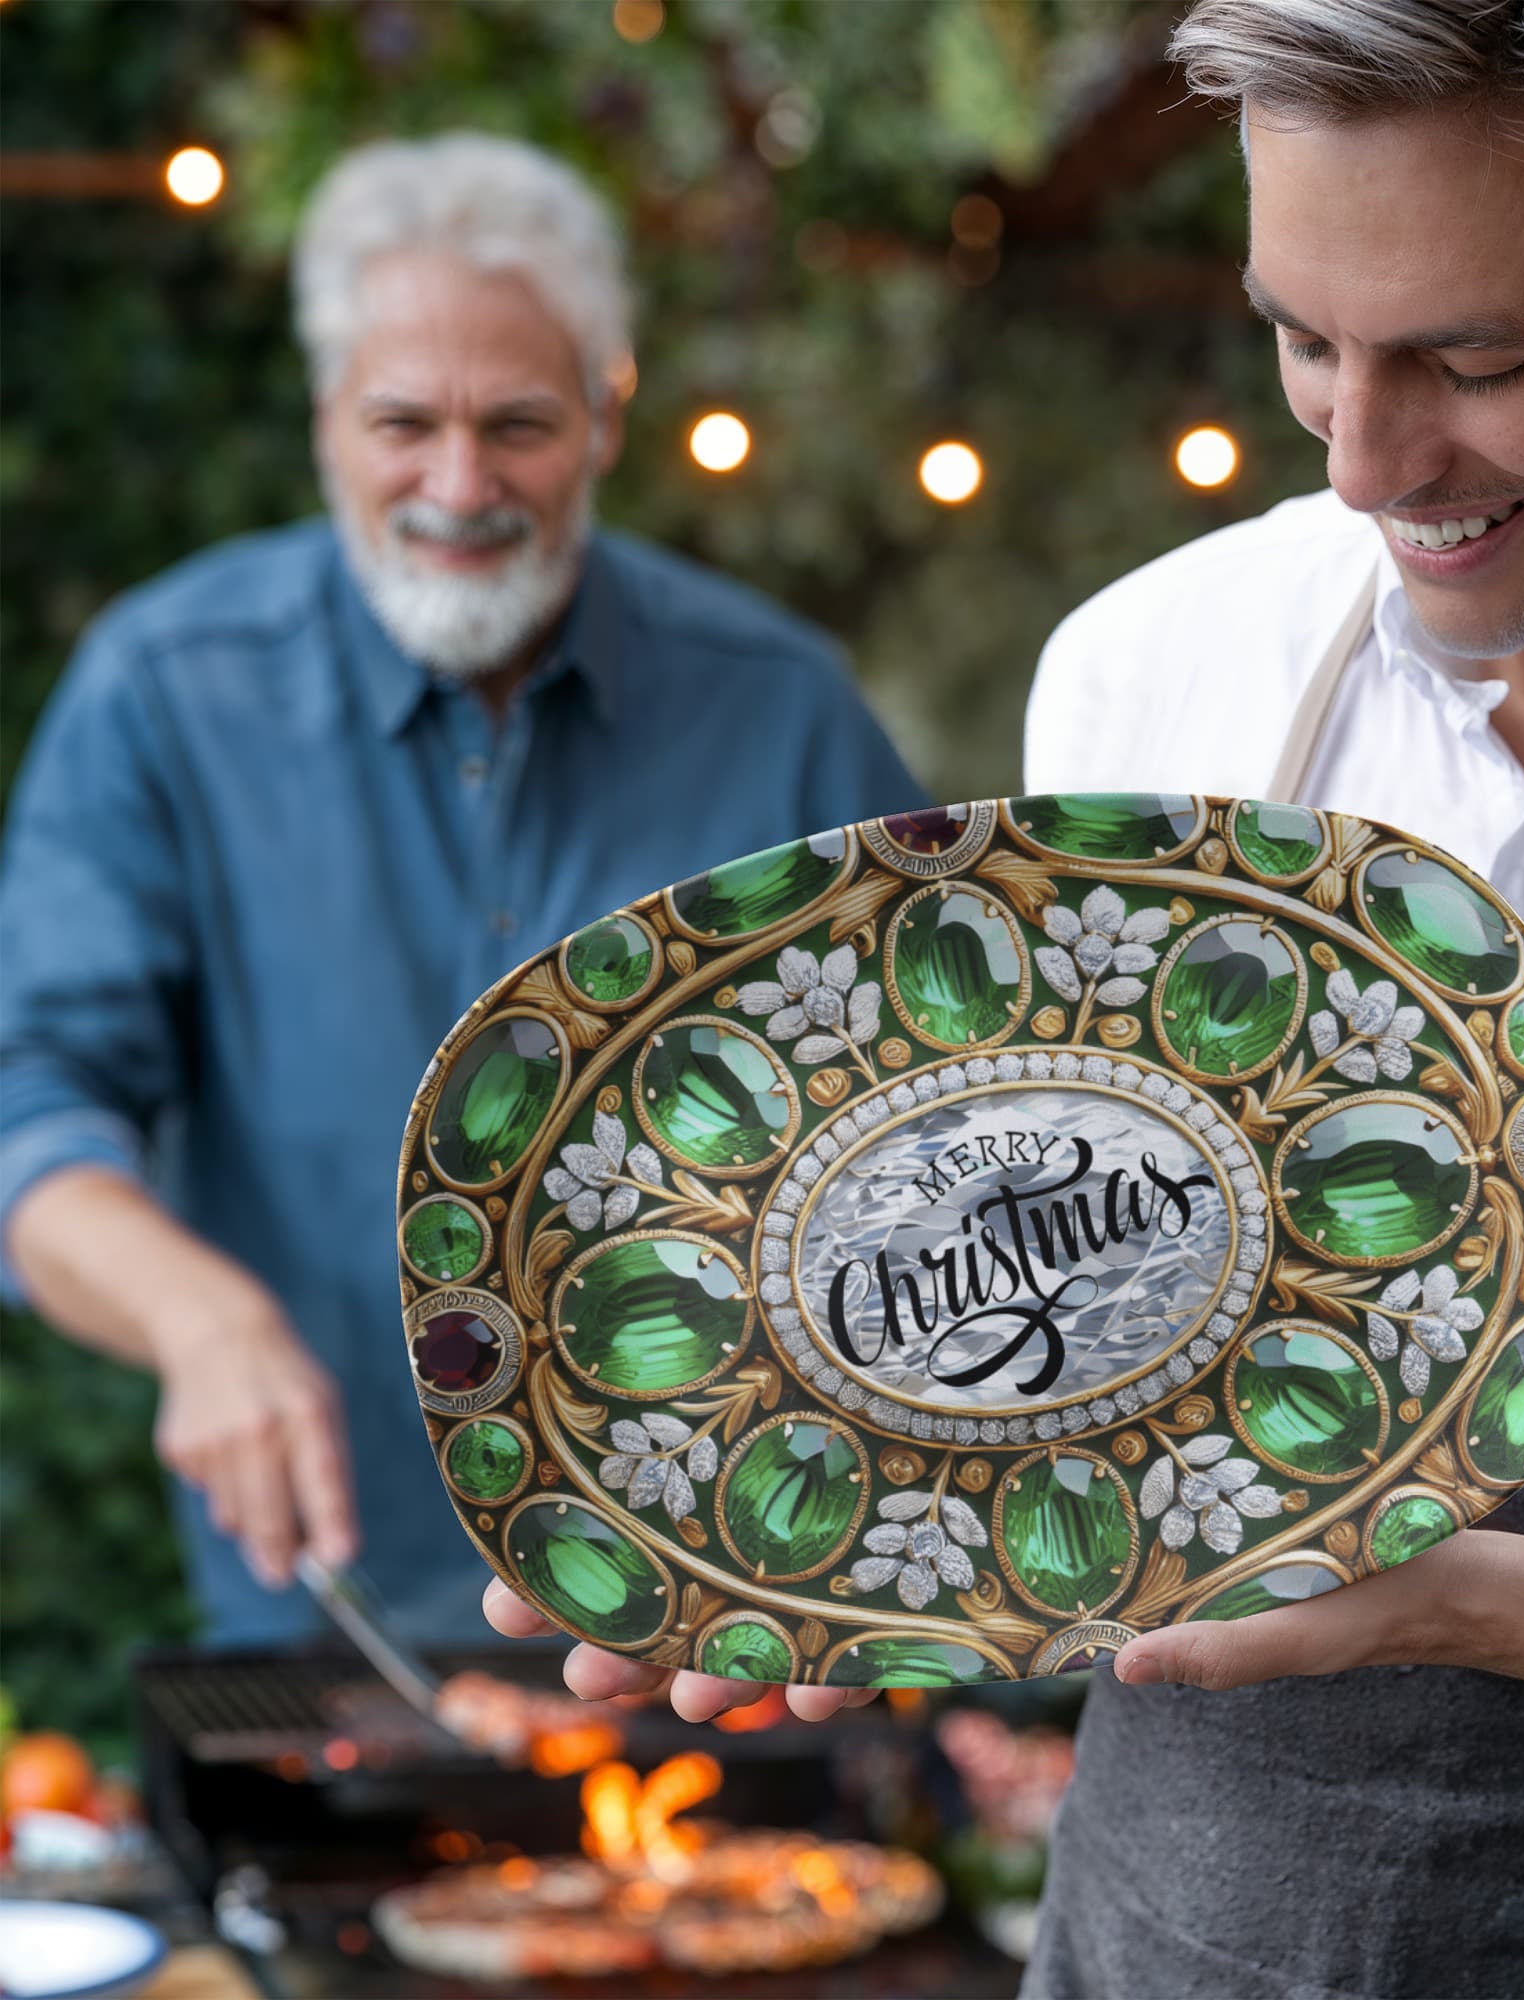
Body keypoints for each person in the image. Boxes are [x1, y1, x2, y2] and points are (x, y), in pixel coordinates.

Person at [486, 2, 1524, 1993]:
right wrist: (813, 1525)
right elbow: (1047, 1342)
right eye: (1301, 337)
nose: (1367, 463)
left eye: (1477, 360)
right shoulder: (1158, 670)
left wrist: (1463, 1601)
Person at [0, 133, 922, 1649]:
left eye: (518, 425)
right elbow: (35, 1114)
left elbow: (938, 1129)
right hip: (326, 1627)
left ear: (609, 415)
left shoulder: (784, 709)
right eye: (401, 422)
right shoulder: (164, 692)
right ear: (323, 420)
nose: (459, 483)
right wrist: (196, 1317)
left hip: (728, 1617)